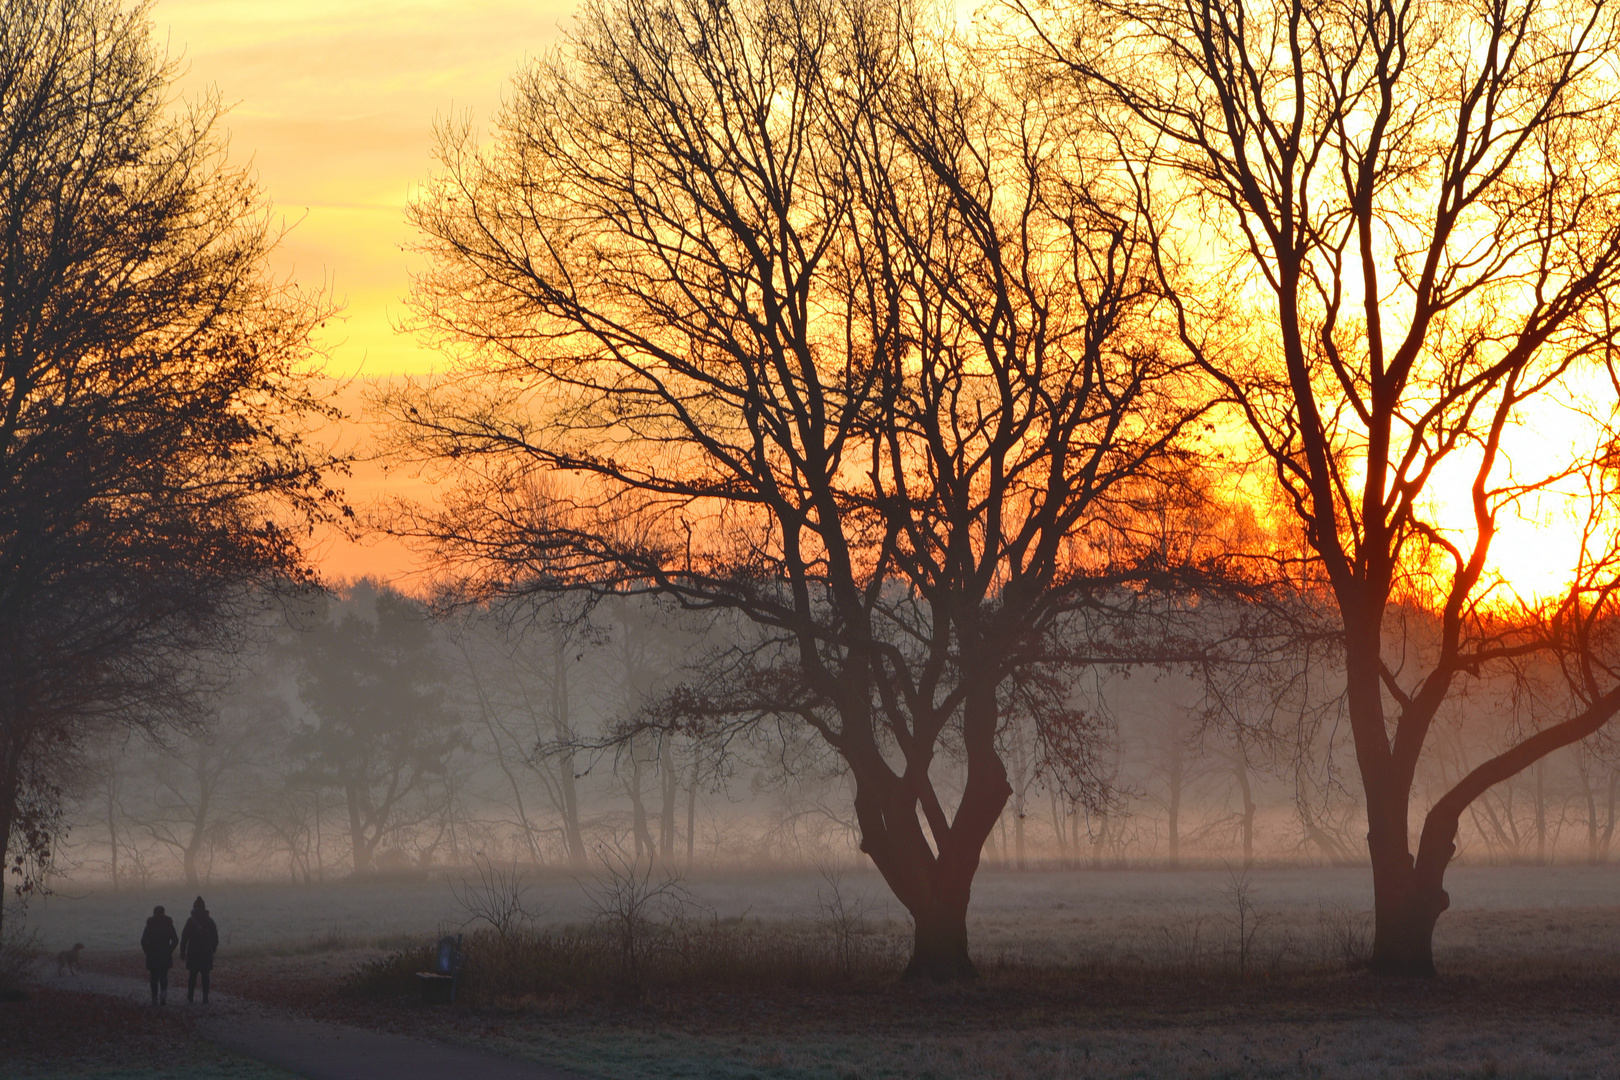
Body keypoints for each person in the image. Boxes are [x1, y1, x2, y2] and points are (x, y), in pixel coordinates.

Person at [179, 895, 219, 1004]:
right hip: (206, 951)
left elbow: (184, 937)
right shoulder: (210, 921)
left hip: (193, 951)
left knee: (192, 975)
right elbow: (215, 937)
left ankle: (190, 996)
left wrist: (183, 952)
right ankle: (205, 997)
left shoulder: (190, 921)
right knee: (205, 975)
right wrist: (213, 949)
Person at [140, 905, 178, 1005]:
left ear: (154, 913)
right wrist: (170, 949)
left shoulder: (150, 924)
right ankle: (163, 996)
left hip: (152, 953)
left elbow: (143, 940)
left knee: (153, 977)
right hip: (164, 953)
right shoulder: (168, 924)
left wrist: (147, 951)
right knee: (163, 976)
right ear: (163, 913)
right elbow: (175, 939)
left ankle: (154, 997)